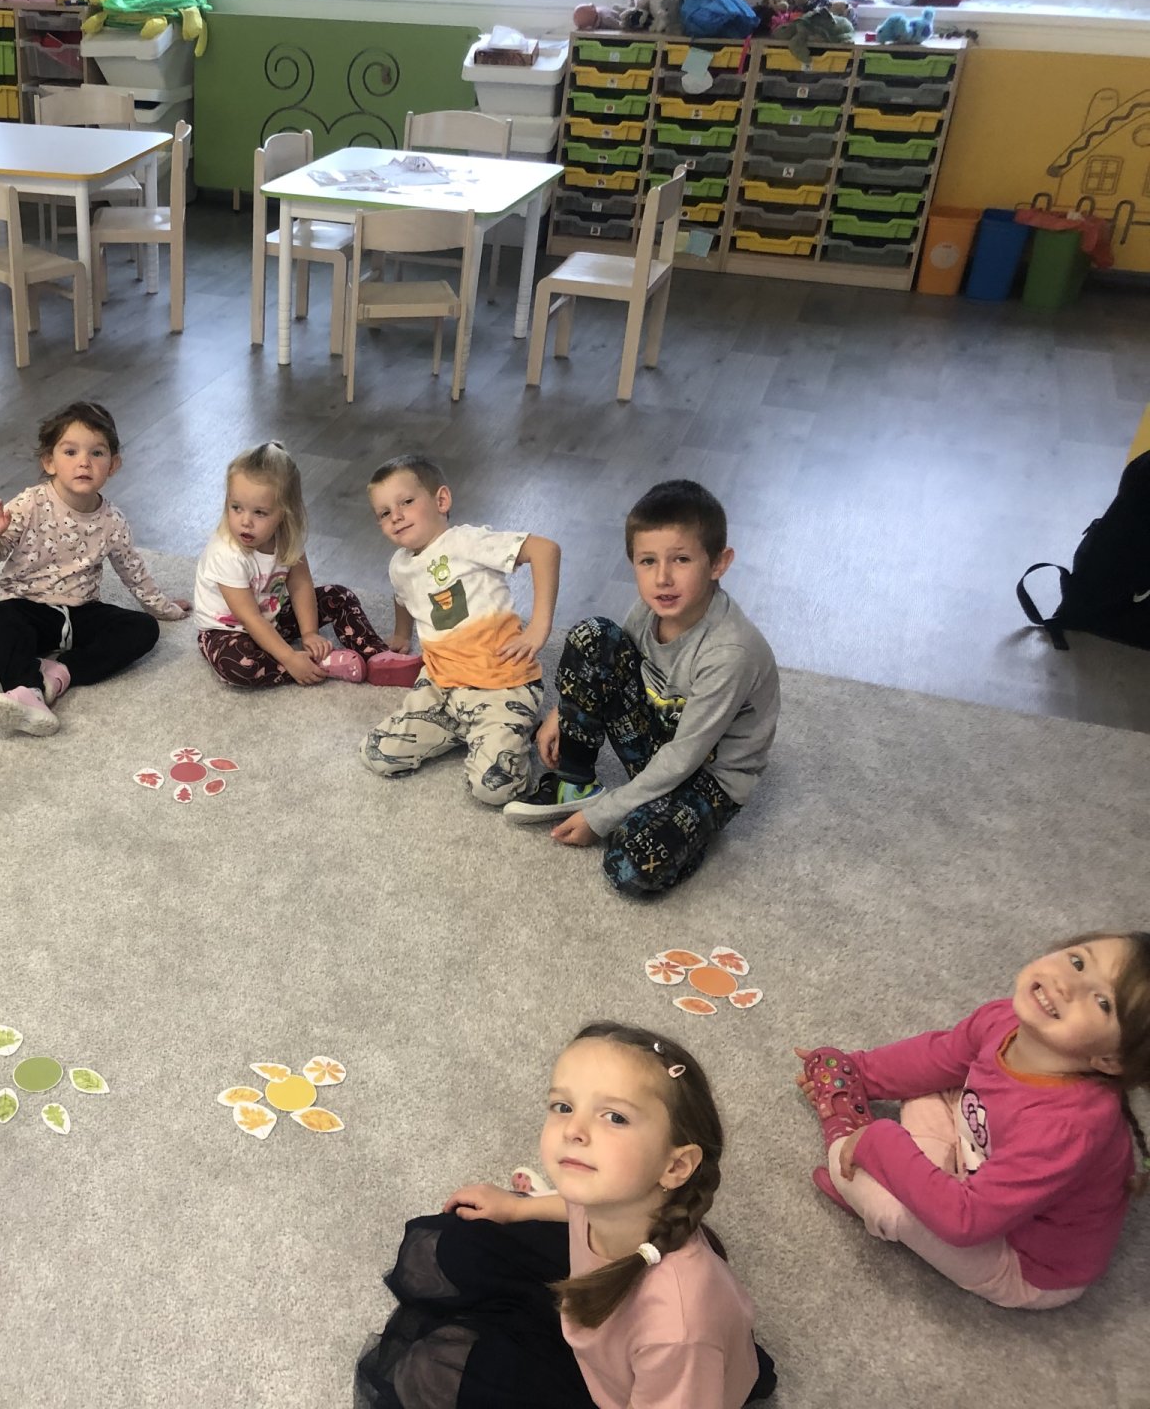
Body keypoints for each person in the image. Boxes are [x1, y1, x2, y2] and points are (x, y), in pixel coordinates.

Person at [356, 1022, 777, 1409]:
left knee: (436, 1370)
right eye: (562, 1106)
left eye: (615, 1117)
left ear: (675, 1165)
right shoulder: (604, 1194)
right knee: (442, 1246)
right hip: (603, 1320)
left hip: (630, 1389)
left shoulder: (676, 1330)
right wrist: (518, 1208)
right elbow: (575, 1208)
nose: (574, 1129)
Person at [797, 932, 1150, 1310]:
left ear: (1111, 1060)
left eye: (1102, 1002)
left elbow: (966, 1222)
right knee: (931, 1085)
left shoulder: (1068, 1129)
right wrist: (858, 1073)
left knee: (888, 1206)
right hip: (986, 1165)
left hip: (1020, 1258)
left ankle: (854, 1162)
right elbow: (937, 1058)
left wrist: (878, 1142)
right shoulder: (1003, 1020)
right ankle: (893, 1179)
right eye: (1078, 962)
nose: (1068, 984)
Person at [504, 480, 778, 897]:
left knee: (630, 864)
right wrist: (565, 710)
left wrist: (604, 817)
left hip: (707, 776)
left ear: (718, 563)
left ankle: (689, 828)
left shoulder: (729, 653)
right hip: (659, 740)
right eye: (647, 561)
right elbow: (614, 661)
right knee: (594, 636)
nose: (662, 578)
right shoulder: (649, 609)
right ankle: (575, 783)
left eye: (681, 559)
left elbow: (684, 758)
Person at [0, 400, 188, 736]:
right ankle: (27, 691)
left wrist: (165, 608)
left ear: (113, 465)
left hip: (82, 613)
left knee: (143, 629)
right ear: (49, 461)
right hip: (27, 608)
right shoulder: (29, 503)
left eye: (97, 453)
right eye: (70, 452)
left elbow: (134, 573)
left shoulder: (113, 521)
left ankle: (59, 673)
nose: (84, 462)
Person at [359, 454, 560, 806]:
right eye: (384, 513)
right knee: (376, 753)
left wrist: (539, 627)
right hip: (442, 686)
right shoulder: (399, 566)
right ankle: (468, 731)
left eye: (406, 502)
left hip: (501, 684)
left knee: (492, 789)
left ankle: (512, 727)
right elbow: (403, 596)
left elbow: (545, 550)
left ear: (441, 500)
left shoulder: (466, 542)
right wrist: (402, 635)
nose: (396, 516)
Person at [192, 441, 410, 688]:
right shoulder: (226, 553)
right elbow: (249, 618)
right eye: (236, 508)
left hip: (271, 617)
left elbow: (300, 584)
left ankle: (377, 656)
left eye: (260, 512)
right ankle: (320, 665)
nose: (245, 521)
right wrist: (289, 658)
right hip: (228, 631)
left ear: (284, 513)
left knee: (339, 596)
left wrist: (310, 633)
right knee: (239, 665)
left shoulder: (287, 537)